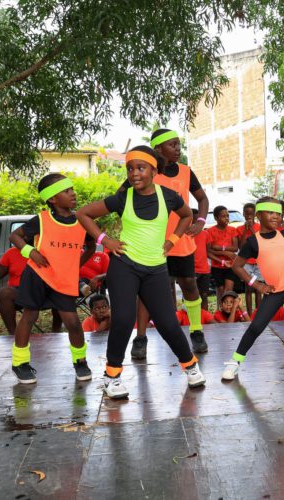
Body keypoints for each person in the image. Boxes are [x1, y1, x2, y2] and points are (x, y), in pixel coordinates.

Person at [76, 145, 205, 398]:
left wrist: (173, 240)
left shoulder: (169, 196)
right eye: (130, 168)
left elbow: (186, 216)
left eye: (141, 168)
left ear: (154, 171)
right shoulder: (122, 198)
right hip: (125, 266)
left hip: (155, 268)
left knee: (168, 323)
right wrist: (106, 240)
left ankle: (190, 366)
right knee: (123, 320)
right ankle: (112, 376)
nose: (134, 173)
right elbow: (83, 214)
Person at [131, 128, 210, 360]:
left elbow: (202, 198)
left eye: (178, 144)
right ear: (158, 149)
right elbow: (123, 196)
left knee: (189, 285)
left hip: (181, 240)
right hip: (153, 243)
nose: (177, 148)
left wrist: (201, 221)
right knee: (148, 292)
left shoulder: (185, 171)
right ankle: (140, 337)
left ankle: (196, 331)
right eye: (172, 145)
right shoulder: (146, 171)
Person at [9, 173, 95, 383]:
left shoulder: (82, 221)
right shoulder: (41, 219)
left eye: (72, 189)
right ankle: (20, 363)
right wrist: (31, 252)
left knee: (72, 322)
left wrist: (75, 265)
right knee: (29, 316)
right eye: (66, 191)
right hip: (37, 275)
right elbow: (15, 236)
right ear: (53, 199)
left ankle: (80, 361)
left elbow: (91, 247)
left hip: (63, 279)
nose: (73, 193)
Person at [221, 197, 284, 379]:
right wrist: (257, 284)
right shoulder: (253, 242)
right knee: (256, 327)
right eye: (270, 212)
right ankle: (234, 362)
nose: (275, 216)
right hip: (274, 291)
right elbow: (237, 266)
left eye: (278, 213)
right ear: (258, 215)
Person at [0, 245, 29, 335]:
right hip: (18, 291)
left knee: (58, 292)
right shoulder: (12, 252)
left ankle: (56, 331)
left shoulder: (46, 250)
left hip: (43, 291)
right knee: (4, 293)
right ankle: (13, 334)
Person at [207, 205, 239, 300]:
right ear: (216, 218)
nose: (227, 218)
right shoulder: (210, 231)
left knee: (228, 291)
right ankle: (221, 308)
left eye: (227, 216)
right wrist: (225, 254)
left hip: (231, 265)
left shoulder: (232, 230)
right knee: (220, 290)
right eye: (223, 216)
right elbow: (209, 251)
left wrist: (221, 248)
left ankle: (228, 308)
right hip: (217, 266)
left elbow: (235, 248)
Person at [237, 203, 262, 314]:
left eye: (251, 214)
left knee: (258, 289)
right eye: (247, 214)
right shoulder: (239, 229)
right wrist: (244, 231)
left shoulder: (260, 227)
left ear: (255, 214)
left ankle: (258, 312)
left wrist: (251, 229)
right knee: (248, 288)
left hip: (258, 262)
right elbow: (241, 246)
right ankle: (250, 313)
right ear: (243, 214)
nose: (249, 216)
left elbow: (259, 243)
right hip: (246, 262)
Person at [192, 209, 211, 311]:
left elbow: (208, 252)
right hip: (191, 270)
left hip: (204, 270)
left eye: (198, 220)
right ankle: (189, 316)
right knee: (191, 295)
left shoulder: (205, 234)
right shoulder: (185, 234)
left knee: (204, 295)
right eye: (194, 220)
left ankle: (205, 315)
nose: (196, 223)